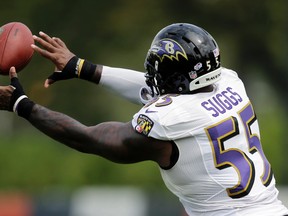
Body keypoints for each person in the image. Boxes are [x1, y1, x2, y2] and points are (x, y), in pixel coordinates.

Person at [0, 23, 287, 216]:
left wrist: (22, 104)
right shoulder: (230, 83)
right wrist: (82, 68)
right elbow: (164, 91)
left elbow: (88, 138)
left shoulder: (169, 121)